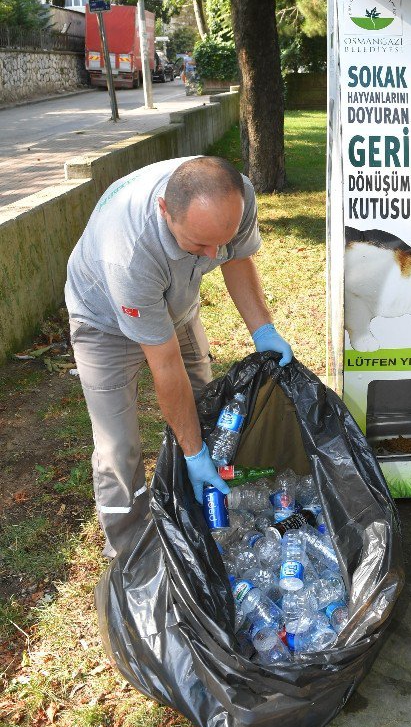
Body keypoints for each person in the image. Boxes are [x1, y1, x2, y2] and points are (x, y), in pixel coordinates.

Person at [65, 155, 293, 558]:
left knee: (209, 413)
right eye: (198, 244)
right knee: (118, 447)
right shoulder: (130, 253)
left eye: (219, 240)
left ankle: (203, 515)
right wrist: (193, 452)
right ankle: (131, 552)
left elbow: (236, 257)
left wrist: (263, 330)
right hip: (104, 321)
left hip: (175, 306)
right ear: (165, 211)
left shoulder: (233, 197)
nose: (211, 254)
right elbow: (166, 367)